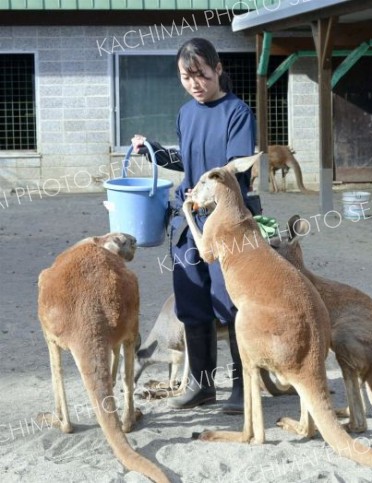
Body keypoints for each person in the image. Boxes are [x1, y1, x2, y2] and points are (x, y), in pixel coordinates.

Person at [131, 38, 257, 414]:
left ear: (218, 69)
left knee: (233, 304)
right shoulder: (186, 114)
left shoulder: (237, 112)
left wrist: (209, 197)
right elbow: (186, 160)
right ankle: (202, 386)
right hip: (189, 223)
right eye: (187, 77)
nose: (194, 83)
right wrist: (152, 149)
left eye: (201, 74)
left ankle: (243, 387)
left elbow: (237, 169)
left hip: (227, 223)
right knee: (193, 304)